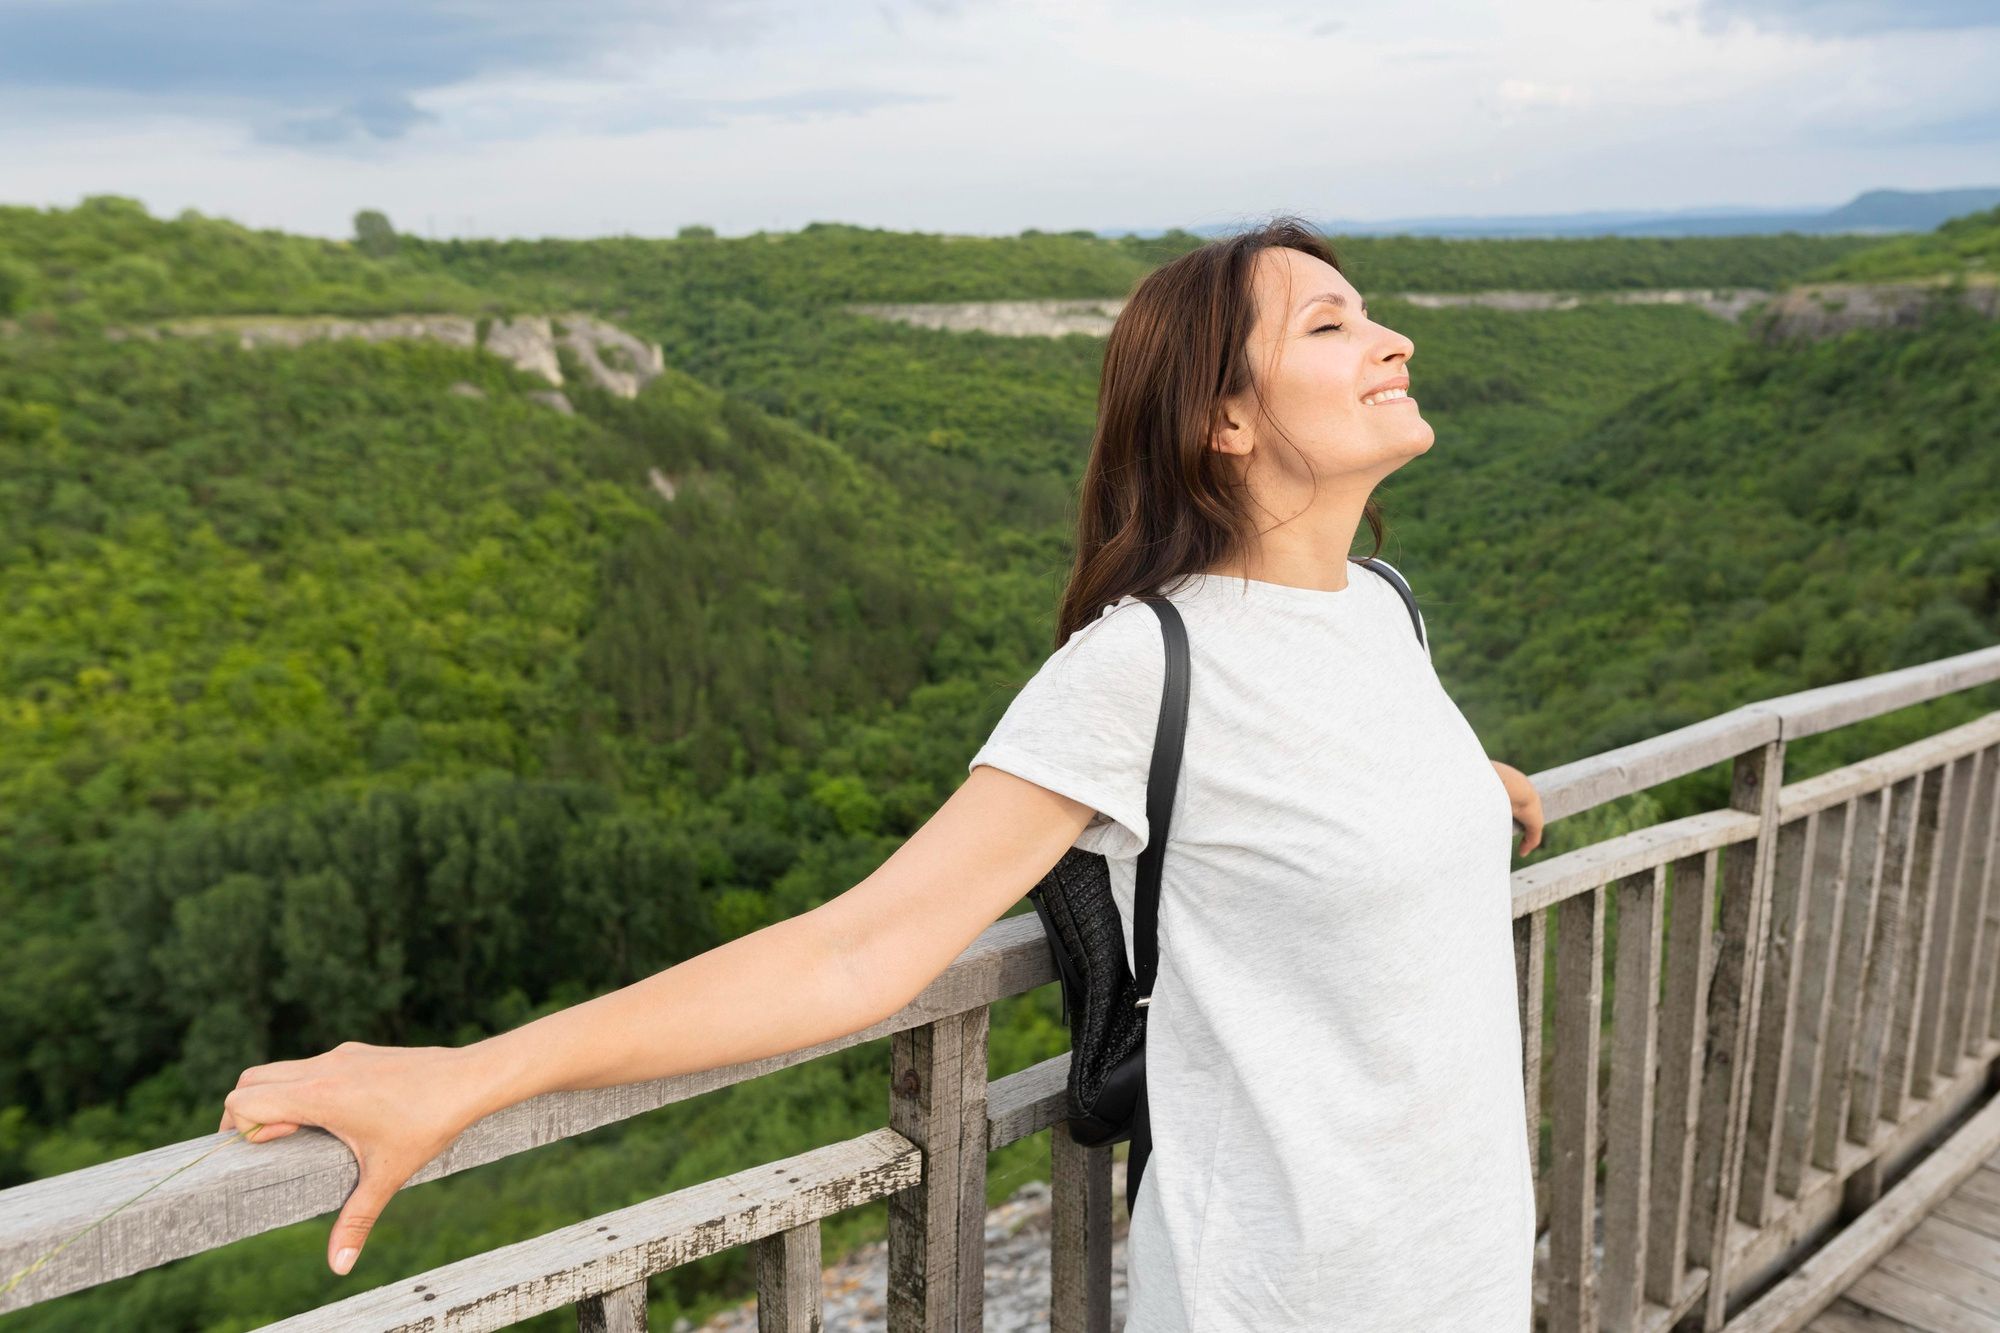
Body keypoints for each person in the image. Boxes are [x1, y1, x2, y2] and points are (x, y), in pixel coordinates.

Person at [219, 215, 1548, 1329]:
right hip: (1294, 1296)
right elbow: (858, 950)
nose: (1393, 339)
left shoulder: (1383, 608)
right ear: (1224, 423)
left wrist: (1454, 795)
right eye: (1328, 325)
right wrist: (468, 1075)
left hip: (1473, 1269)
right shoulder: (1143, 664)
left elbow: (1320, 793)